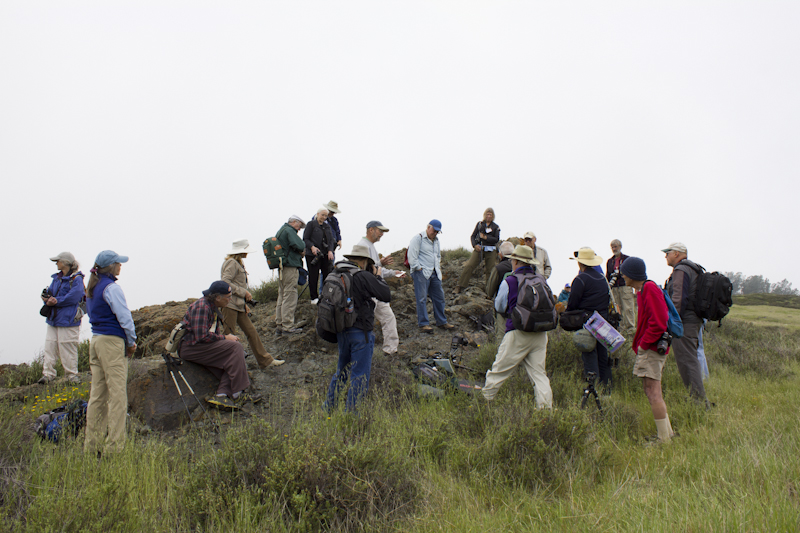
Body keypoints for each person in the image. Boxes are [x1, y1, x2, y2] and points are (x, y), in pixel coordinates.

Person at [323, 245, 391, 413]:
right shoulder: (362, 276)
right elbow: (386, 295)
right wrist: (378, 277)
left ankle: (328, 408)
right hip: (361, 333)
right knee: (359, 375)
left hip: (342, 331)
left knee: (342, 371)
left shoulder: (335, 273)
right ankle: (352, 416)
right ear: (363, 261)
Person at [482, 245, 552, 408]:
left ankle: (484, 403)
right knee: (539, 374)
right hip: (540, 333)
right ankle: (546, 410)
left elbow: (499, 306)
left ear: (515, 261)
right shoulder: (540, 279)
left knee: (499, 370)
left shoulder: (511, 281)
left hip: (518, 331)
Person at [84, 250, 137, 455]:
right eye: (118, 263)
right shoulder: (111, 288)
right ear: (111, 267)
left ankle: (92, 445)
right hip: (112, 342)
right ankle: (114, 447)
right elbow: (124, 317)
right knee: (117, 395)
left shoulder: (93, 287)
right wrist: (131, 342)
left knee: (97, 395)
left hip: (96, 340)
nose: (120, 266)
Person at [620, 256, 676, 443]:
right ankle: (667, 434)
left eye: (624, 272)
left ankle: (664, 439)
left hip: (651, 348)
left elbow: (659, 322)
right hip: (650, 347)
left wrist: (644, 343)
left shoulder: (649, 288)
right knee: (652, 390)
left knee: (653, 392)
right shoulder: (643, 290)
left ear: (631, 273)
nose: (622, 276)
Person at [179, 281, 254, 410]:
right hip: (191, 348)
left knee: (234, 357)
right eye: (228, 297)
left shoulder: (212, 306)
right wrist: (225, 338)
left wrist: (224, 340)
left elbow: (211, 334)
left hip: (199, 346)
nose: (230, 300)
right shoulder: (202, 307)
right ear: (218, 297)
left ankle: (221, 395)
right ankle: (238, 393)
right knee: (236, 348)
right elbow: (201, 336)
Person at [220, 239, 284, 369]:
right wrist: (243, 293)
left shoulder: (237, 263)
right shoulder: (231, 263)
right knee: (229, 335)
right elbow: (225, 282)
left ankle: (266, 361)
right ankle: (228, 366)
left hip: (238, 305)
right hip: (229, 305)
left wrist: (244, 303)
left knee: (252, 332)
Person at [662, 242, 708, 403]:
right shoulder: (693, 268)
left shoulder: (681, 269)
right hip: (693, 320)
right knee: (690, 359)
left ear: (677, 253)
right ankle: (697, 398)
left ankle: (699, 401)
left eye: (668, 252)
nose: (665, 256)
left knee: (687, 361)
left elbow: (678, 298)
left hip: (685, 323)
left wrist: (672, 322)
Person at [357, 220, 405, 355]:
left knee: (388, 317)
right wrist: (385, 269)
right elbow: (366, 269)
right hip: (367, 292)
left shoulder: (370, 246)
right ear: (371, 230)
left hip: (374, 290)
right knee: (365, 322)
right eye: (380, 231)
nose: (382, 234)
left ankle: (390, 351)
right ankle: (362, 352)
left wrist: (392, 272)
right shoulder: (363, 246)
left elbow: (376, 268)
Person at [567, 247, 612, 389]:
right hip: (602, 321)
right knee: (602, 354)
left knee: (589, 353)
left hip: (587, 320)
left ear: (580, 263)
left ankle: (593, 388)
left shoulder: (580, 279)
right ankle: (606, 387)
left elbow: (573, 303)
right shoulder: (602, 279)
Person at [39, 252, 85, 385]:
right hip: (54, 319)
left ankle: (71, 375)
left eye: (58, 261)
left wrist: (55, 301)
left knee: (67, 346)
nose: (56, 263)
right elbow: (52, 294)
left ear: (65, 262)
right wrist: (47, 299)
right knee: (50, 346)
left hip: (68, 319)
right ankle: (48, 374)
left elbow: (74, 297)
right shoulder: (57, 279)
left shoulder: (76, 279)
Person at [407, 220, 456, 333]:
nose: (435, 233)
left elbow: (437, 255)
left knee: (439, 297)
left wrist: (437, 267)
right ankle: (423, 324)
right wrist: (419, 268)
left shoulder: (436, 241)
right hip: (421, 273)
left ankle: (442, 321)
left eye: (438, 232)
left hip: (434, 273)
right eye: (434, 230)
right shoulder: (418, 238)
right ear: (428, 227)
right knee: (422, 298)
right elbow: (412, 256)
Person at [275, 215, 307, 336]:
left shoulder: (281, 230)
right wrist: (302, 249)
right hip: (290, 267)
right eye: (299, 226)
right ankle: (288, 326)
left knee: (282, 295)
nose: (299, 229)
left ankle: (280, 325)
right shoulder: (289, 230)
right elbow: (300, 245)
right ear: (294, 222)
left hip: (282, 267)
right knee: (290, 294)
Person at [455, 208, 500, 293]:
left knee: (490, 270)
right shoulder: (480, 224)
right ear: (484, 215)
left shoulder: (495, 227)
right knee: (469, 265)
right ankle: (460, 286)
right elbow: (473, 236)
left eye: (490, 214)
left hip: (491, 250)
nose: (489, 216)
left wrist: (486, 237)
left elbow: (496, 239)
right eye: (487, 214)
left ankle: (489, 291)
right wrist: (475, 245)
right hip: (479, 249)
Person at [303, 208, 335, 304]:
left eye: (326, 215)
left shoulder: (327, 226)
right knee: (313, 275)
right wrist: (312, 247)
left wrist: (330, 251)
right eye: (322, 215)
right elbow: (305, 238)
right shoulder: (311, 224)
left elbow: (330, 240)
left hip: (325, 254)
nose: (324, 217)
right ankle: (314, 297)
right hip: (312, 254)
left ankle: (325, 295)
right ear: (318, 214)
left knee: (327, 274)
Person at [606, 239, 637, 334]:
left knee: (628, 308)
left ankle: (631, 330)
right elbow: (608, 275)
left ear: (620, 247)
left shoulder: (627, 259)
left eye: (615, 246)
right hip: (614, 288)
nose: (614, 249)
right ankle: (622, 330)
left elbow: (632, 273)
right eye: (612, 247)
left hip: (625, 286)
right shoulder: (610, 261)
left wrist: (635, 287)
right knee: (618, 309)